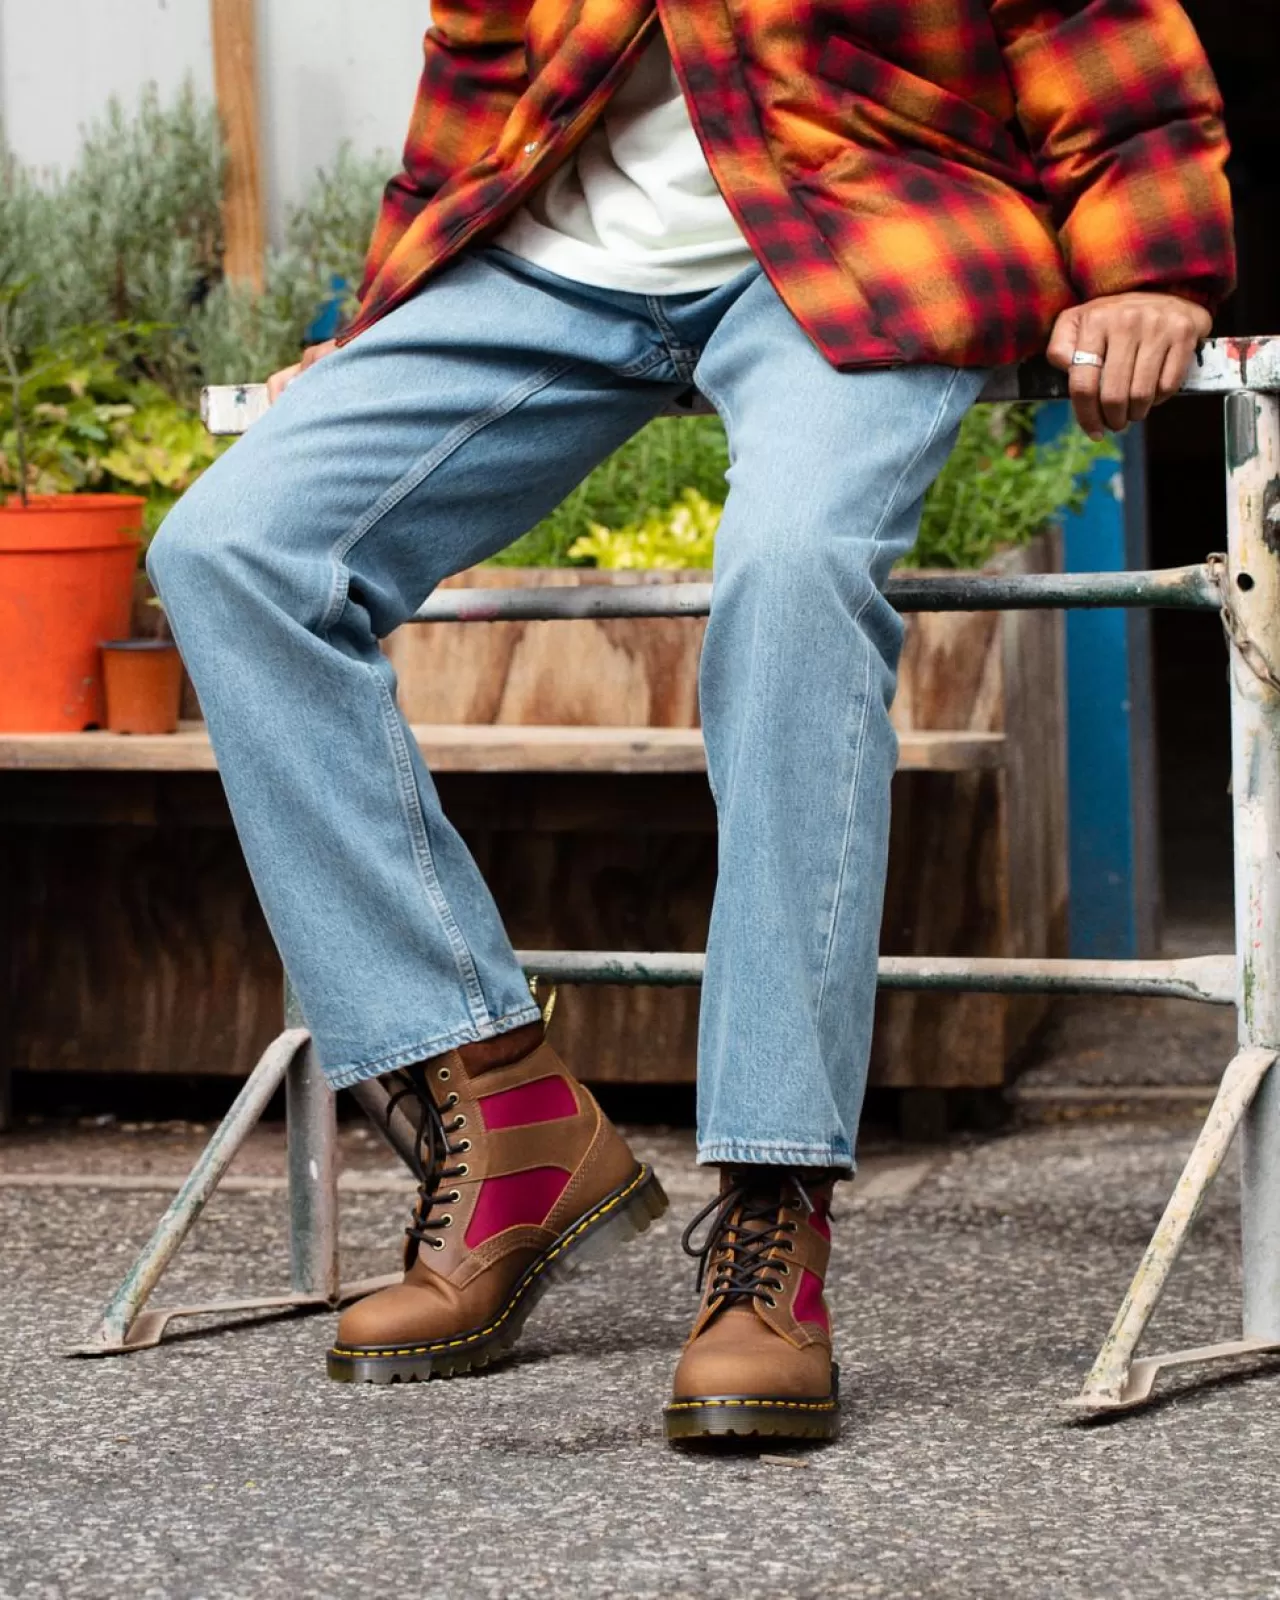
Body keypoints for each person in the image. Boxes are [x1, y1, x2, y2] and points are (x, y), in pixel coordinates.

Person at [148, 0, 1234, 1443]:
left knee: (790, 580)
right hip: (545, 275)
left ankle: (772, 1218)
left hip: (859, 243)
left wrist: (1149, 259)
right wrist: (371, 331)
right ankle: (500, 1112)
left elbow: (1099, 30)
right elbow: (477, 87)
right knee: (235, 550)